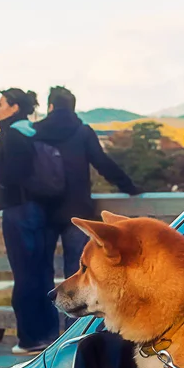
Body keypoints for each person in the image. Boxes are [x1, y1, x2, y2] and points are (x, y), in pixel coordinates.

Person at [33, 86, 140, 327]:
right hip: (77, 210)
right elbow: (102, 163)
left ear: (50, 106)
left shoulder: (35, 132)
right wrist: (130, 186)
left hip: (43, 211)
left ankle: (46, 335)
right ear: (72, 106)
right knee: (80, 273)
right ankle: (76, 335)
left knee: (41, 275)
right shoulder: (82, 132)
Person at [0, 88, 60, 355]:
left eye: (0, 104)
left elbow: (12, 173)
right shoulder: (36, 132)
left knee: (24, 274)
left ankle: (30, 339)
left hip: (19, 210)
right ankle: (49, 333)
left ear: (14, 107)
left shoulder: (14, 136)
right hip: (43, 210)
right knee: (43, 272)